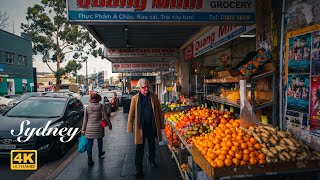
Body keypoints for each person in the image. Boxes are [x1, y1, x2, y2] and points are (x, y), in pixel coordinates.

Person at [127, 78, 165, 178]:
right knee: (139, 147)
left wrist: (161, 125)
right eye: (144, 87)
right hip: (140, 127)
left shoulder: (154, 96)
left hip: (151, 125)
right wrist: (130, 127)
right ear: (139, 88)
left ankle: (151, 159)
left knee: (152, 144)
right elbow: (131, 114)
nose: (146, 89)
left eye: (147, 87)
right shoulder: (135, 98)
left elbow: (159, 112)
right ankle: (138, 169)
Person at [81, 93, 112, 167]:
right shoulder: (101, 106)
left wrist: (83, 129)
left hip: (89, 128)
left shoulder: (87, 107)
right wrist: (110, 125)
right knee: (100, 140)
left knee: (89, 144)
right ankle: (100, 152)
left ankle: (89, 159)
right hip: (99, 127)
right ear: (98, 99)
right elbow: (106, 117)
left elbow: (85, 120)